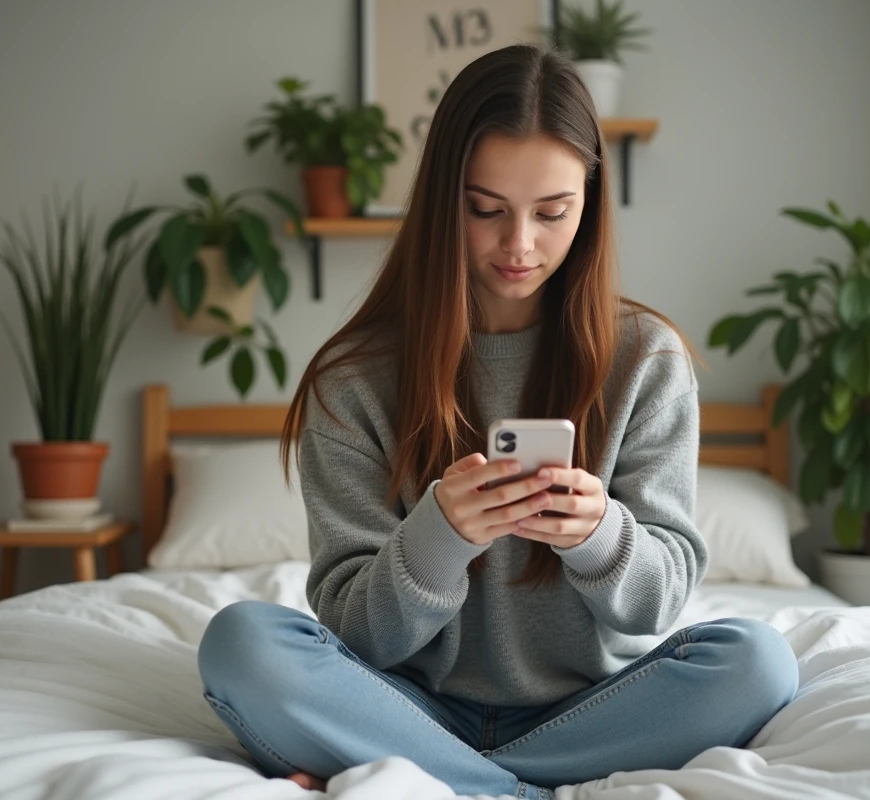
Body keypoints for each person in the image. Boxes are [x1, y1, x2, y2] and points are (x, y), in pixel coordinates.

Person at [197, 43, 799, 800]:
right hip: (406, 706)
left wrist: (598, 535)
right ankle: (517, 790)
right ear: (442, 199)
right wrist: (440, 536)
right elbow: (358, 634)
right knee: (242, 643)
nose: (519, 245)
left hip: (592, 709)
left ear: (591, 200)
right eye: (486, 210)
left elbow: (656, 606)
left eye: (553, 213)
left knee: (758, 660)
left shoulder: (646, 359)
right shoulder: (351, 380)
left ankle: (464, 785)